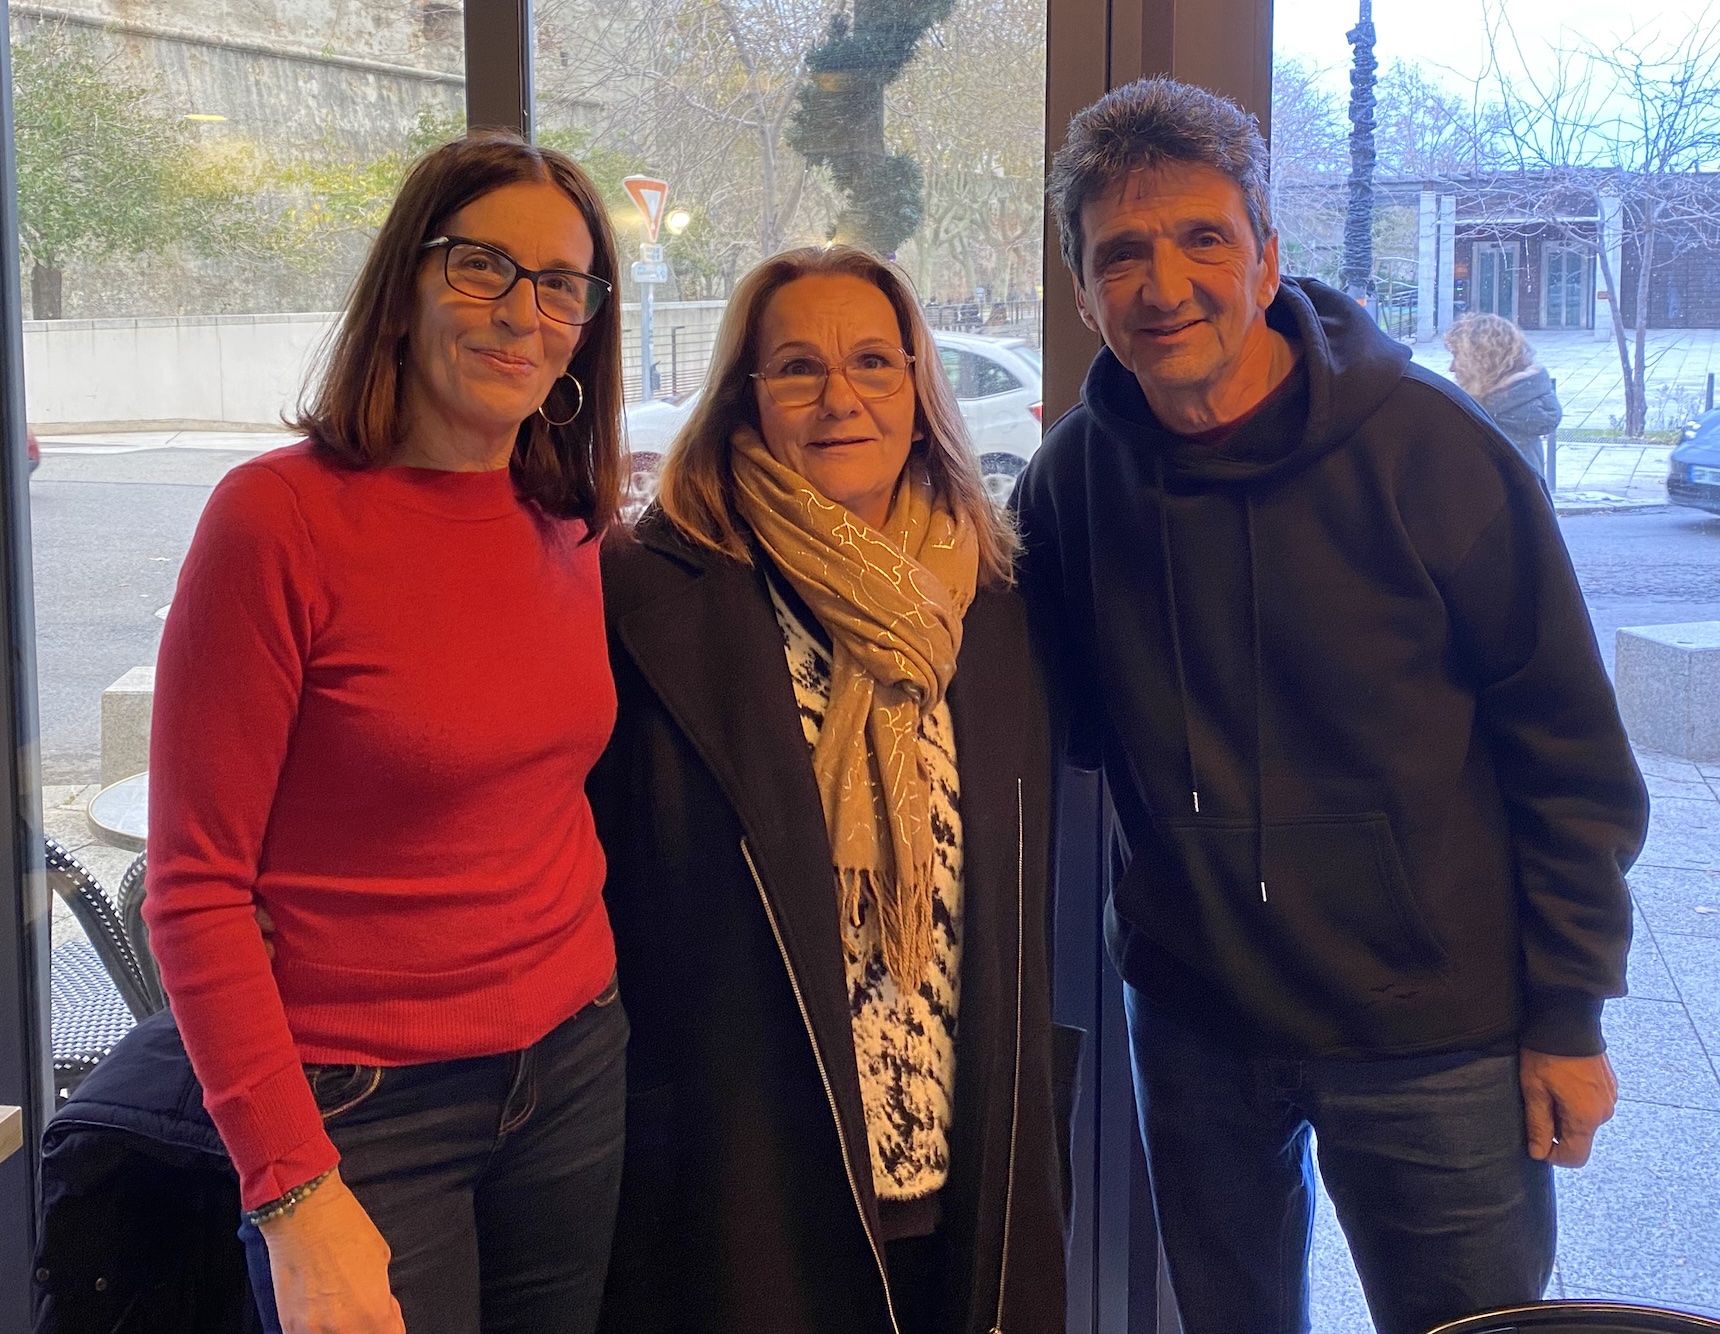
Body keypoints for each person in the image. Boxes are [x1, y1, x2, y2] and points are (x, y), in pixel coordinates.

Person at [1013, 78, 1647, 1334]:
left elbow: (1571, 757)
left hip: (1435, 1033)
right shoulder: (1073, 483)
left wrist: (1568, 1012)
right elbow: (1045, 712)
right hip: (1195, 1027)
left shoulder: (1435, 452)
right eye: (1121, 253)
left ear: (1266, 258)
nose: (1163, 284)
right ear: (1083, 293)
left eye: (1202, 238)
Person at [144, 131, 628, 1334]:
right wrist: (290, 1188)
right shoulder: (276, 522)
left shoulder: (564, 521)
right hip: (360, 1105)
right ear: (406, 282)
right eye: (482, 265)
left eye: (560, 284)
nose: (522, 313)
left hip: (573, 1061)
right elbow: (194, 888)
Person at [593, 243, 1069, 1333]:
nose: (840, 398)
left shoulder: (992, 597)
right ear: (745, 396)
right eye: (799, 368)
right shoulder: (652, 596)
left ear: (918, 391)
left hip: (960, 1157)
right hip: (754, 1170)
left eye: (873, 363)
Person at [1446, 311, 1564, 476]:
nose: (1451, 367)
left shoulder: (1492, 421)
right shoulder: (1515, 410)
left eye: (1457, 356)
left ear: (1482, 360)